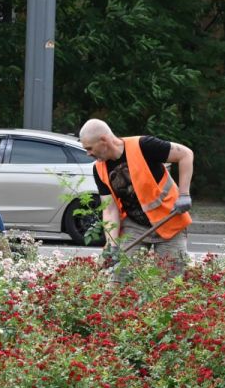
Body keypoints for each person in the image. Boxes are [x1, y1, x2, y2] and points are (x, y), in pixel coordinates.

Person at [78, 118, 194, 275]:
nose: (88, 153)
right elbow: (110, 209)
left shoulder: (144, 146)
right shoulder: (99, 169)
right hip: (135, 225)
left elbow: (186, 154)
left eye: (89, 148)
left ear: (103, 140)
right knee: (120, 276)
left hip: (169, 220)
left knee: (170, 279)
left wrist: (184, 194)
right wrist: (112, 244)